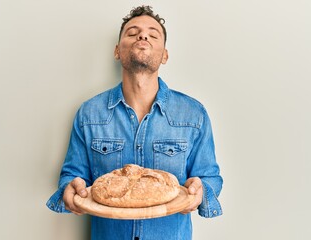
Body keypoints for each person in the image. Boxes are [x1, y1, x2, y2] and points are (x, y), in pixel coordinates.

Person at [47, 5, 223, 240]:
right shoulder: (89, 114)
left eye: (153, 34)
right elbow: (72, 175)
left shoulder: (193, 114)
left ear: (165, 55)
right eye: (132, 33)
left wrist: (201, 191)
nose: (142, 36)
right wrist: (70, 188)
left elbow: (210, 177)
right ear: (117, 51)